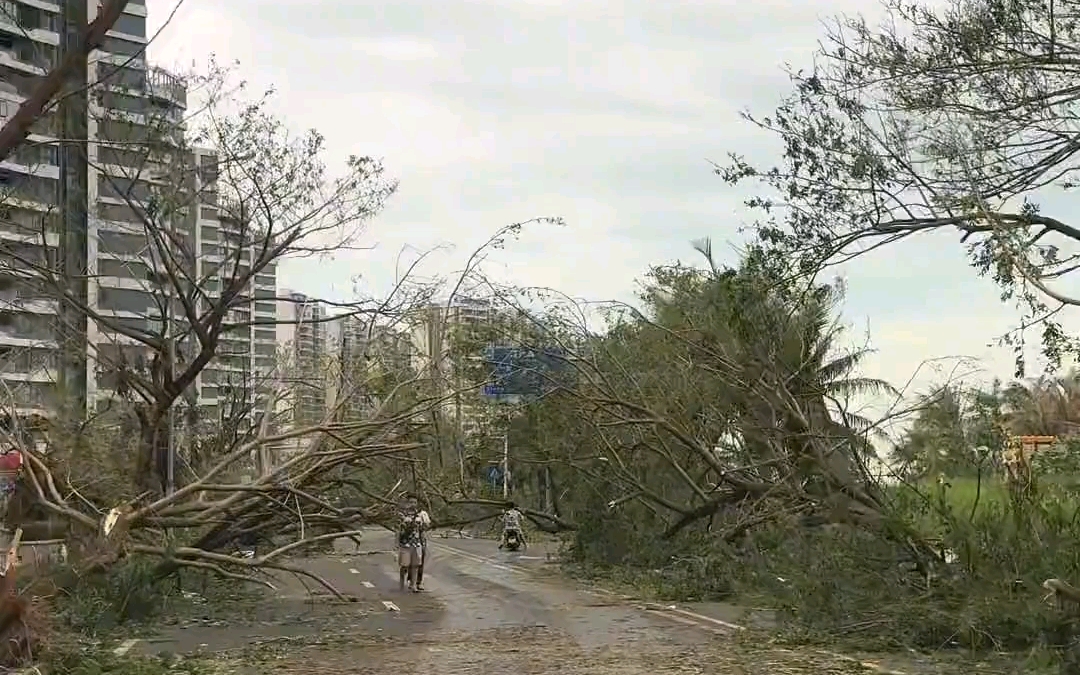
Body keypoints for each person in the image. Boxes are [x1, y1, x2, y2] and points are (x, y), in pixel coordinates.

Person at [397, 495, 423, 592]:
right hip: (406, 543)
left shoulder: (420, 515)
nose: (413, 504)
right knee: (405, 565)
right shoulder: (402, 514)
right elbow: (399, 529)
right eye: (411, 502)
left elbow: (423, 528)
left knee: (415, 565)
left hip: (416, 543)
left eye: (415, 502)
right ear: (407, 503)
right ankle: (401, 583)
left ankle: (413, 585)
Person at [415, 499, 432, 590]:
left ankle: (419, 582)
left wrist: (422, 524)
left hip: (420, 539)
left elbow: (427, 525)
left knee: (420, 561)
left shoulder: (423, 514)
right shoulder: (407, 513)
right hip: (409, 539)